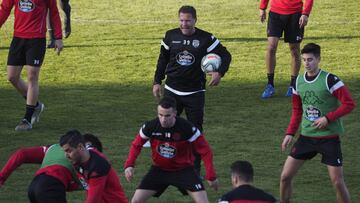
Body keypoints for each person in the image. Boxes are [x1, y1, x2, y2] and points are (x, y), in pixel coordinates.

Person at [152, 5, 231, 174]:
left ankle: (194, 170)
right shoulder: (170, 36)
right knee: (165, 127)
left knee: (195, 131)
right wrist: (157, 81)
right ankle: (165, 164)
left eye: (187, 20)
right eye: (181, 20)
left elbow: (225, 55)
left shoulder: (206, 38)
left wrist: (219, 72)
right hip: (172, 89)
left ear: (195, 20)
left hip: (195, 92)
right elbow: (162, 59)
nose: (184, 23)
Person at [280, 43, 356, 203]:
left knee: (337, 182)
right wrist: (289, 133)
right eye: (304, 60)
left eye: (310, 59)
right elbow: (297, 111)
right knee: (285, 177)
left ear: (318, 59)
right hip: (306, 138)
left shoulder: (330, 80)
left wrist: (328, 118)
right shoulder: (297, 82)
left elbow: (349, 104)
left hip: (329, 138)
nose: (307, 63)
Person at [124, 97, 218, 203]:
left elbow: (205, 150)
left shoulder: (187, 128)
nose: (163, 119)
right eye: (160, 115)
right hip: (159, 170)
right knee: (135, 201)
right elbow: (136, 144)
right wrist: (129, 165)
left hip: (184, 171)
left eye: (167, 115)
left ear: (175, 113)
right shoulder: (150, 126)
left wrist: (211, 175)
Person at [0, 0, 64, 131]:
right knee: (12, 77)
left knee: (32, 77)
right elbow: (5, 9)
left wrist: (58, 37)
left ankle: (27, 120)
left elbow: (54, 12)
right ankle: (35, 106)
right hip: (18, 38)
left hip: (36, 39)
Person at [0, 131, 102, 203]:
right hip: (51, 187)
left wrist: (1, 178)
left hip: (34, 188)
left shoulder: (53, 148)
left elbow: (22, 154)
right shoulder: (87, 151)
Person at [259, 0, 314, 98]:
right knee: (271, 47)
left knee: (294, 49)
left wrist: (305, 13)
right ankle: (270, 84)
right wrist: (262, 7)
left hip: (295, 14)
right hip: (275, 13)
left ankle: (293, 85)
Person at [60, 130, 128, 203]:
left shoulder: (97, 166)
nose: (66, 156)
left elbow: (93, 200)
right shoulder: (78, 160)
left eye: (69, 151)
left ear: (80, 147)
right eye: (65, 152)